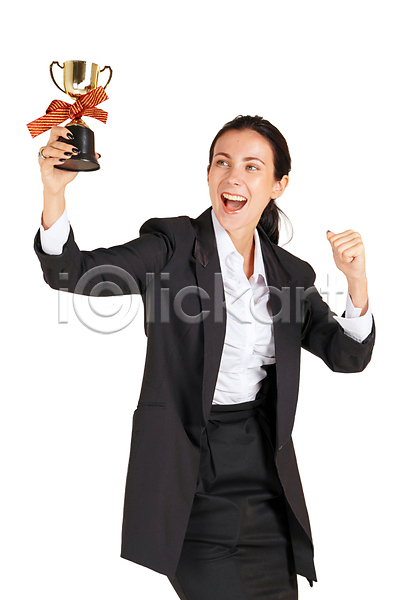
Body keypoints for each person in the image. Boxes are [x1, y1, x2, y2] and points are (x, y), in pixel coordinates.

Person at [34, 115, 375, 600]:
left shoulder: (290, 274)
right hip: (189, 475)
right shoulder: (172, 246)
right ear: (209, 173)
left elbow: (348, 356)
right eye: (222, 163)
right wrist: (54, 193)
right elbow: (73, 273)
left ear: (278, 185)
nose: (233, 177)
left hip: (262, 478)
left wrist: (356, 281)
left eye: (252, 167)